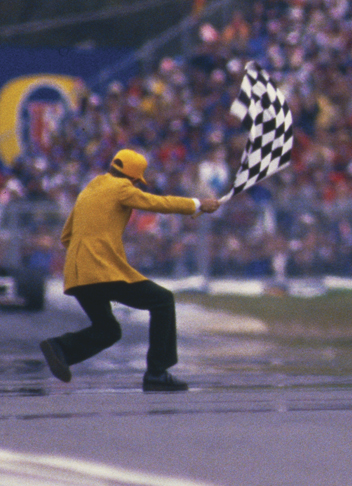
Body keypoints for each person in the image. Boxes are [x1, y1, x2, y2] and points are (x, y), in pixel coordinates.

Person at [38, 149, 220, 392]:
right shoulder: (121, 188)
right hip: (102, 269)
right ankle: (157, 372)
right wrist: (198, 205)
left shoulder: (90, 187)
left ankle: (61, 347)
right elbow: (157, 203)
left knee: (108, 330)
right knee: (163, 300)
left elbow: (66, 235)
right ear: (134, 178)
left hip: (77, 273)